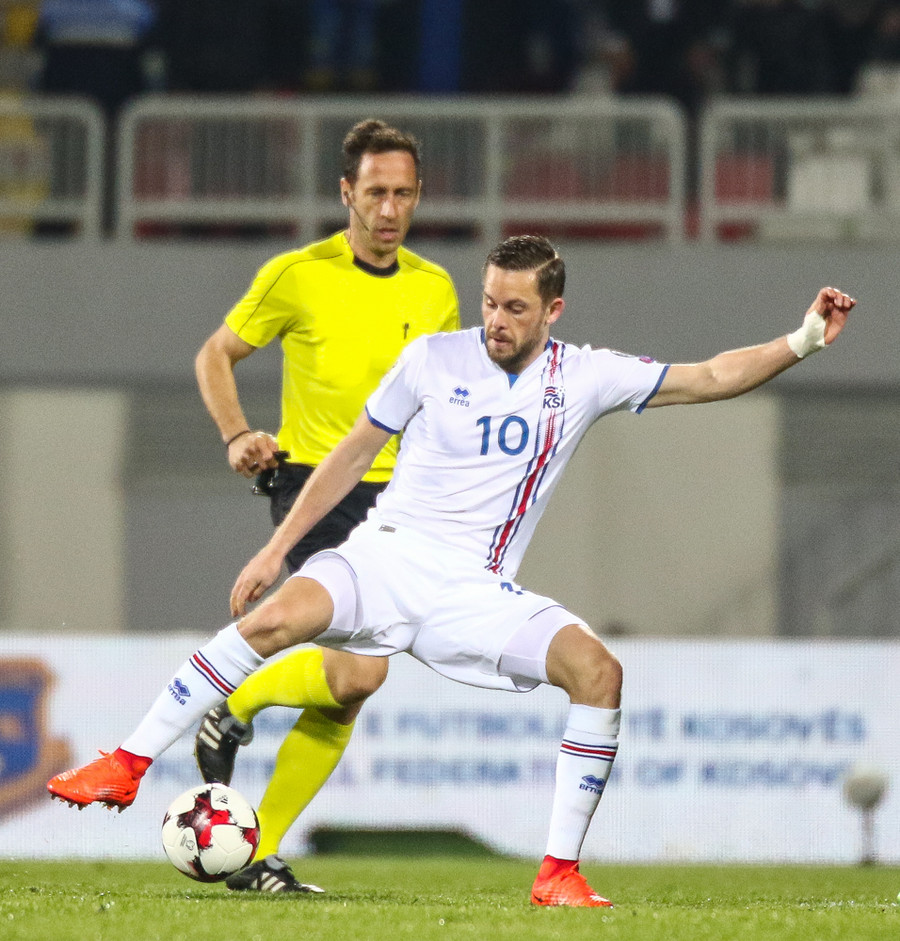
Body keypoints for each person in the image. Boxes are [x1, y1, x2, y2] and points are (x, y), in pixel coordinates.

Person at [47, 235, 855, 907]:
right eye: (490, 302)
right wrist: (274, 548)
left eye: (515, 308)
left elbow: (711, 375)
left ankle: (558, 872)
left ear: (553, 310)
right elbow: (350, 456)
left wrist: (802, 341)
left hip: (472, 590)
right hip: (383, 553)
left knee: (598, 671)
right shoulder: (432, 359)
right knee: (272, 620)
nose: (496, 320)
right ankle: (128, 763)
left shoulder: (585, 375)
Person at [189, 118, 460, 892]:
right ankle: (235, 704)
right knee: (362, 673)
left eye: (403, 193)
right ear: (346, 192)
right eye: (375, 192)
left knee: (346, 689)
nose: (389, 209)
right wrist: (237, 434)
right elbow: (215, 353)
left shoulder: (435, 289)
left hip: (402, 502)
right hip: (316, 490)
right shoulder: (297, 275)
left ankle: (254, 846)